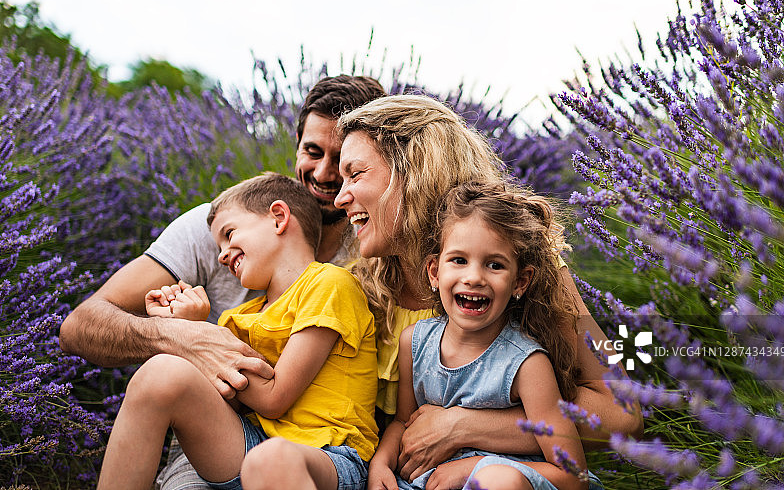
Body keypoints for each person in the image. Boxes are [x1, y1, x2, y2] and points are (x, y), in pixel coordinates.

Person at [59, 75, 386, 489]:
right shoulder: (220, 228)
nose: (323, 173)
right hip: (236, 441)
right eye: (313, 151)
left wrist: (199, 334)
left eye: (341, 160)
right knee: (162, 374)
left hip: (321, 451)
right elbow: (78, 327)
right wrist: (176, 334)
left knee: (273, 463)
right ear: (297, 144)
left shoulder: (373, 252)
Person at [334, 94, 643, 486]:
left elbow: (624, 413)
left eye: (356, 174)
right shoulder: (357, 286)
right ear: (435, 272)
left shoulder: (533, 266)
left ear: (412, 171)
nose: (340, 197)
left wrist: (463, 425)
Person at [96, 172, 378, 490]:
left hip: (328, 456)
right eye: (219, 245)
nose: (222, 254)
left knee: (270, 460)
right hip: (252, 443)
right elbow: (234, 404)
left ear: (278, 217)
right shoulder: (238, 317)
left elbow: (273, 397)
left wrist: (205, 337)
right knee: (160, 374)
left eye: (229, 234)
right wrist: (185, 329)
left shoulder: (330, 284)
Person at [370, 180, 598, 490]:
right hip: (426, 483)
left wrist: (476, 466)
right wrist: (381, 463)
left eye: (494, 265)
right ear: (435, 272)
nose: (474, 277)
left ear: (520, 281)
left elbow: (573, 476)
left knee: (494, 480)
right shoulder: (415, 341)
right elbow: (402, 423)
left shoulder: (525, 364)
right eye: (459, 260)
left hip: (503, 481)